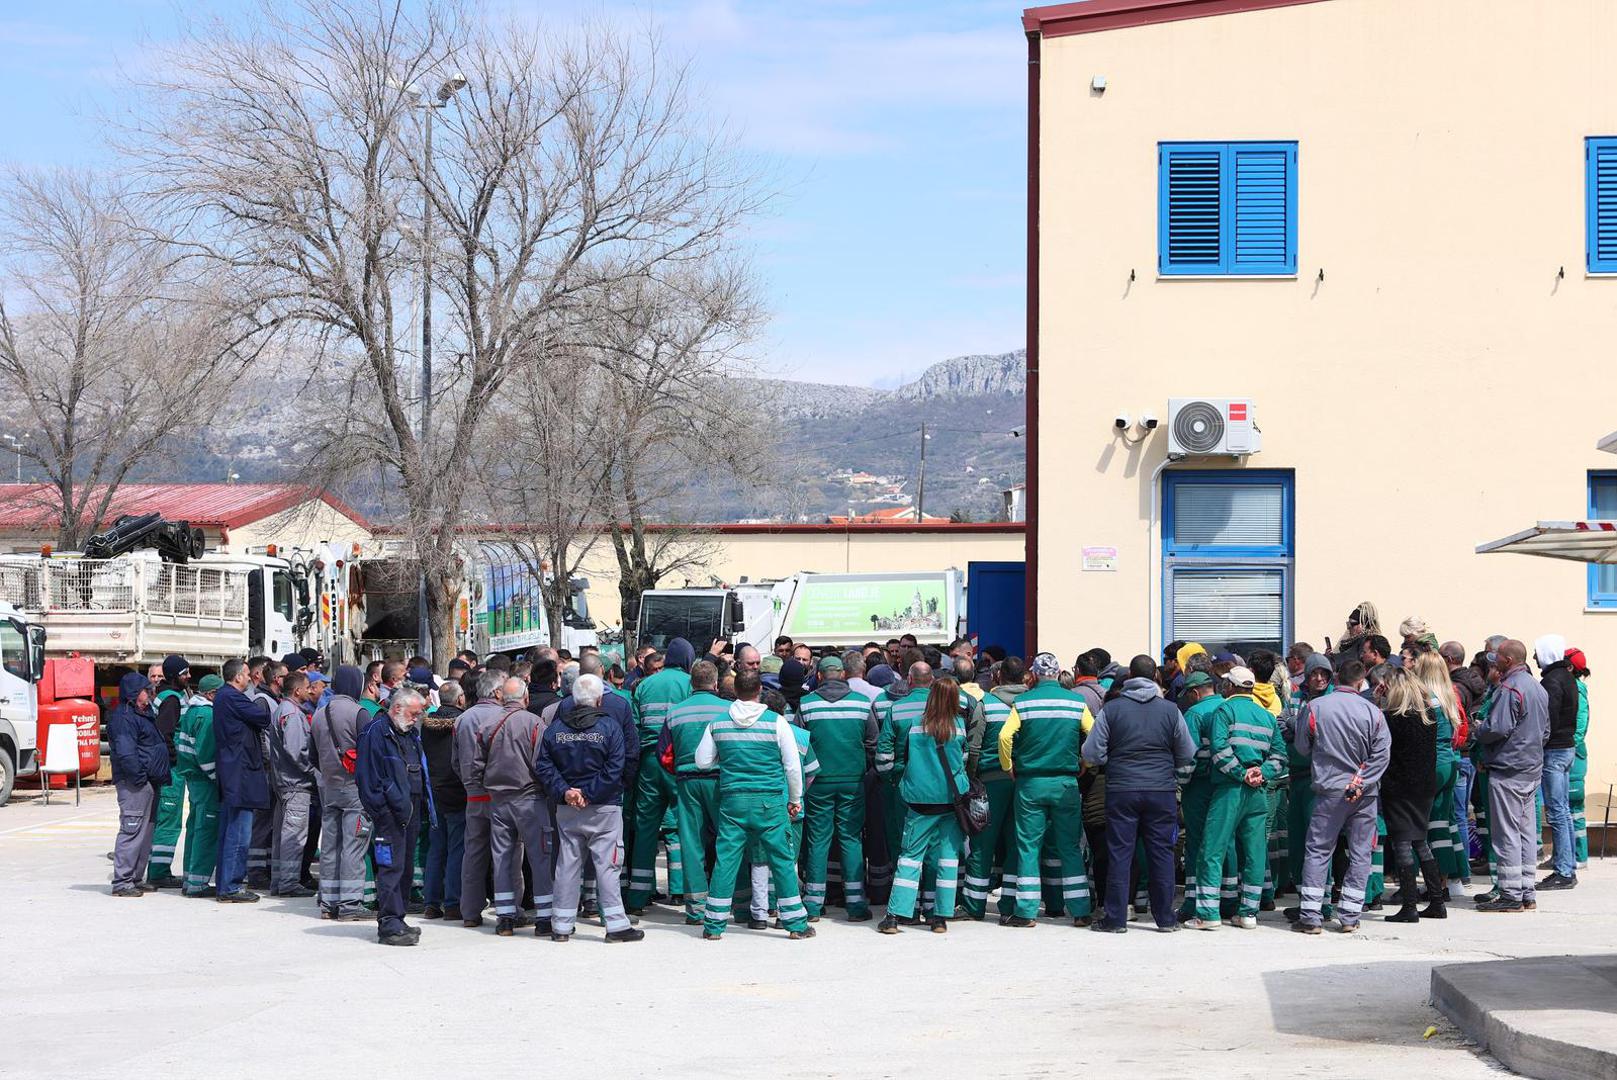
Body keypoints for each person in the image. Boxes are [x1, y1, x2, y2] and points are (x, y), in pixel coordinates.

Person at [693, 670, 814, 940]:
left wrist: (723, 759)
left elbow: (702, 761)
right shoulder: (776, 723)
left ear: (735, 691)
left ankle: (713, 926)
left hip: (733, 802)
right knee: (782, 860)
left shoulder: (718, 723)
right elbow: (793, 767)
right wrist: (795, 800)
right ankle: (796, 924)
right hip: (770, 803)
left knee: (726, 862)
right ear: (759, 690)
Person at [1082, 654, 1195, 933]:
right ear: (1155, 676)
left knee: (1120, 853)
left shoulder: (1113, 709)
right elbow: (1188, 753)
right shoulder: (1170, 710)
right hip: (1162, 791)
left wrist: (1115, 759)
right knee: (1161, 853)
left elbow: (1091, 752)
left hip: (1121, 790)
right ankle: (1166, 919)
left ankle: (1115, 919)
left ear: (1130, 676)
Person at [536, 674, 639, 942]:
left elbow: (544, 766)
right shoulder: (609, 727)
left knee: (567, 865)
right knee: (607, 865)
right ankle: (616, 925)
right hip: (603, 807)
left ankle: (560, 925)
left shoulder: (555, 728)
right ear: (599, 699)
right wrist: (590, 794)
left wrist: (567, 792)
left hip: (567, 808)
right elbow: (616, 767)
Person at [1291, 666, 1391, 935]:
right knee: (1360, 854)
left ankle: (1311, 915)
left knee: (1318, 850)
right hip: (1364, 794)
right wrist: (1361, 781)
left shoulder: (1315, 707)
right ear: (1361, 682)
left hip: (1329, 790)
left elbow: (1302, 747)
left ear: (1336, 679)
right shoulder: (1373, 712)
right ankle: (1350, 915)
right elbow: (1382, 755)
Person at [997, 653, 1093, 928]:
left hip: (1030, 783)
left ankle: (1026, 912)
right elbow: (1094, 733)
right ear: (1059, 672)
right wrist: (1084, 762)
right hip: (1065, 783)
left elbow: (1005, 736)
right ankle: (1080, 910)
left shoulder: (1024, 702)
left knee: (1028, 847)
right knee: (1070, 847)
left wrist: (1008, 765)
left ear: (1034, 674)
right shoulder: (1076, 702)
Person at [878, 676, 968, 935]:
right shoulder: (959, 726)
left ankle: (895, 916)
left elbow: (901, 756)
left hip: (919, 800)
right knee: (948, 859)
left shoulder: (917, 726)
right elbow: (962, 760)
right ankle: (939, 917)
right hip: (951, 800)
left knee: (910, 857)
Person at [798, 654, 877, 922]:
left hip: (818, 782)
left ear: (819, 676)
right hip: (852, 782)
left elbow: (800, 747)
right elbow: (873, 742)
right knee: (850, 838)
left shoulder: (806, 705)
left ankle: (813, 904)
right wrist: (860, 767)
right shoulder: (862, 703)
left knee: (818, 840)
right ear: (843, 675)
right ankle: (855, 903)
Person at [1474, 640, 1550, 913]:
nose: (1494, 663)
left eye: (1497, 659)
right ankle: (1527, 891)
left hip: (1508, 770)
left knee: (1506, 833)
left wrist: (1479, 729)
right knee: (1527, 832)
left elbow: (1498, 728)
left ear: (1507, 660)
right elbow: (1545, 732)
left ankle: (1510, 894)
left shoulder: (1510, 688)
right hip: (1531, 768)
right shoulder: (1537, 688)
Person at [357, 686, 434, 946]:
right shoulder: (376, 732)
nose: (416, 718)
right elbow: (367, 778)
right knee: (391, 868)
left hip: (409, 810)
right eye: (413, 713)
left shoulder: (409, 733)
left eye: (419, 714)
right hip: (389, 814)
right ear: (397, 708)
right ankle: (389, 924)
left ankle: (397, 918)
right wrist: (381, 810)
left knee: (404, 868)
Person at [478, 677, 553, 936]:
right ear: (526, 698)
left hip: (498, 800)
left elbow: (475, 764)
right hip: (530, 799)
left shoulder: (487, 724)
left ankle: (505, 918)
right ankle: (544, 918)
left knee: (502, 859)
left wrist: (486, 785)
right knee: (540, 858)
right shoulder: (534, 724)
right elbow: (543, 763)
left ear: (502, 698)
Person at [657, 661, 730, 924]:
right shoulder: (728, 710)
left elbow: (663, 754)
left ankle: (696, 909)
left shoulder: (675, 713)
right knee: (728, 841)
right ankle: (731, 902)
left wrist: (679, 771)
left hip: (687, 782)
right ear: (715, 683)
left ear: (691, 684)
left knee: (691, 843)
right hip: (721, 782)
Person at [627, 637, 694, 911]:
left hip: (649, 763)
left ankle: (638, 897)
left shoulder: (644, 685)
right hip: (678, 762)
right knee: (684, 827)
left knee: (645, 828)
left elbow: (633, 727)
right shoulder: (689, 685)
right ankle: (683, 890)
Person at [1375, 668, 1445, 923]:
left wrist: (1377, 701)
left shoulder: (1393, 718)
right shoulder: (1428, 716)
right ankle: (1437, 901)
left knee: (1402, 842)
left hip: (1400, 786)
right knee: (1420, 841)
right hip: (1424, 786)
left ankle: (1410, 905)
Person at [961, 656, 1027, 921]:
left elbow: (974, 747)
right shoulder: (1031, 703)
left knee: (982, 843)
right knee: (1015, 843)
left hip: (990, 782)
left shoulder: (985, 704)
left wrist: (970, 777)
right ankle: (1009, 905)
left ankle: (974, 905)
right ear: (1025, 677)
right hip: (1022, 783)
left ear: (998, 678)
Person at [452, 670, 509, 928]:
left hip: (473, 794)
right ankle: (508, 910)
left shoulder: (462, 720)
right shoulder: (505, 717)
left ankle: (470, 912)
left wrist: (468, 781)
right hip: (501, 794)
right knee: (505, 853)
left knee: (473, 854)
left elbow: (455, 762)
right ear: (497, 692)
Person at [213, 659, 273, 903]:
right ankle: (231, 886)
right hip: (240, 774)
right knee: (239, 833)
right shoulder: (232, 698)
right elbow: (262, 716)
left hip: (234, 773)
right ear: (237, 677)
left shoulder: (223, 697)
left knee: (231, 830)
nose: (250, 679)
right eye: (247, 674)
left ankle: (226, 884)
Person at [108, 672, 171, 897]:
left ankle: (135, 877)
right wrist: (139, 778)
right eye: (146, 689)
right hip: (135, 783)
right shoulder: (124, 717)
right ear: (135, 694)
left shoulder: (143, 713)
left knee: (146, 831)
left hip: (149, 781)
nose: (151, 692)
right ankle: (122, 882)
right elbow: (126, 753)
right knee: (132, 829)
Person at [1411, 651, 1465, 894]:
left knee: (1418, 824)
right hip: (1449, 763)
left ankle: (1423, 882)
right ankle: (1445, 880)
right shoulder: (1447, 696)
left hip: (1430, 765)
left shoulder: (1423, 698)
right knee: (1442, 823)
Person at [268, 670, 319, 897]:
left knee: (283, 833)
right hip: (295, 784)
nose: (310, 690)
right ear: (297, 690)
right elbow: (297, 750)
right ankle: (288, 883)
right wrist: (314, 772)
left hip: (283, 783)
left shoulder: (283, 710)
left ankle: (280, 880)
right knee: (294, 835)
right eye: (308, 686)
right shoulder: (292, 714)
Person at [420, 680, 467, 921]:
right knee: (457, 847)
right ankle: (453, 902)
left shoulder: (426, 726)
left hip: (434, 791)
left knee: (437, 848)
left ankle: (431, 902)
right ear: (460, 700)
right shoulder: (462, 723)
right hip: (458, 790)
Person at [1535, 634, 1579, 891]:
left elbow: (1547, 720)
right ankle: (1567, 867)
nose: (1534, 658)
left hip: (1554, 751)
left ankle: (1564, 870)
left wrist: (1537, 744)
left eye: (1537, 652)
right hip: (1566, 749)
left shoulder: (1552, 680)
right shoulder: (1567, 677)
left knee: (1557, 812)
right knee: (1563, 811)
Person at [145, 654, 192, 890]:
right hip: (171, 771)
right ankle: (159, 871)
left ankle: (157, 868)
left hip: (169, 769)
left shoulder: (167, 695)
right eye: (185, 673)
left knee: (165, 819)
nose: (189, 676)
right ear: (175, 676)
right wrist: (175, 760)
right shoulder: (172, 700)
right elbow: (164, 734)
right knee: (169, 821)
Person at [175, 674, 224, 897]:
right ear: (211, 694)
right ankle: (198, 883)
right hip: (205, 781)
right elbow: (206, 754)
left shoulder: (191, 712)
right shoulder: (208, 715)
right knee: (206, 830)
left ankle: (189, 878)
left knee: (195, 827)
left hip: (192, 778)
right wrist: (217, 778)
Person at [1565, 648, 1591, 869]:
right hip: (1570, 755)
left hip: (1573, 757)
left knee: (1573, 808)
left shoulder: (1578, 692)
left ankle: (1579, 855)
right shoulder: (1574, 689)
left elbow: (1579, 729)